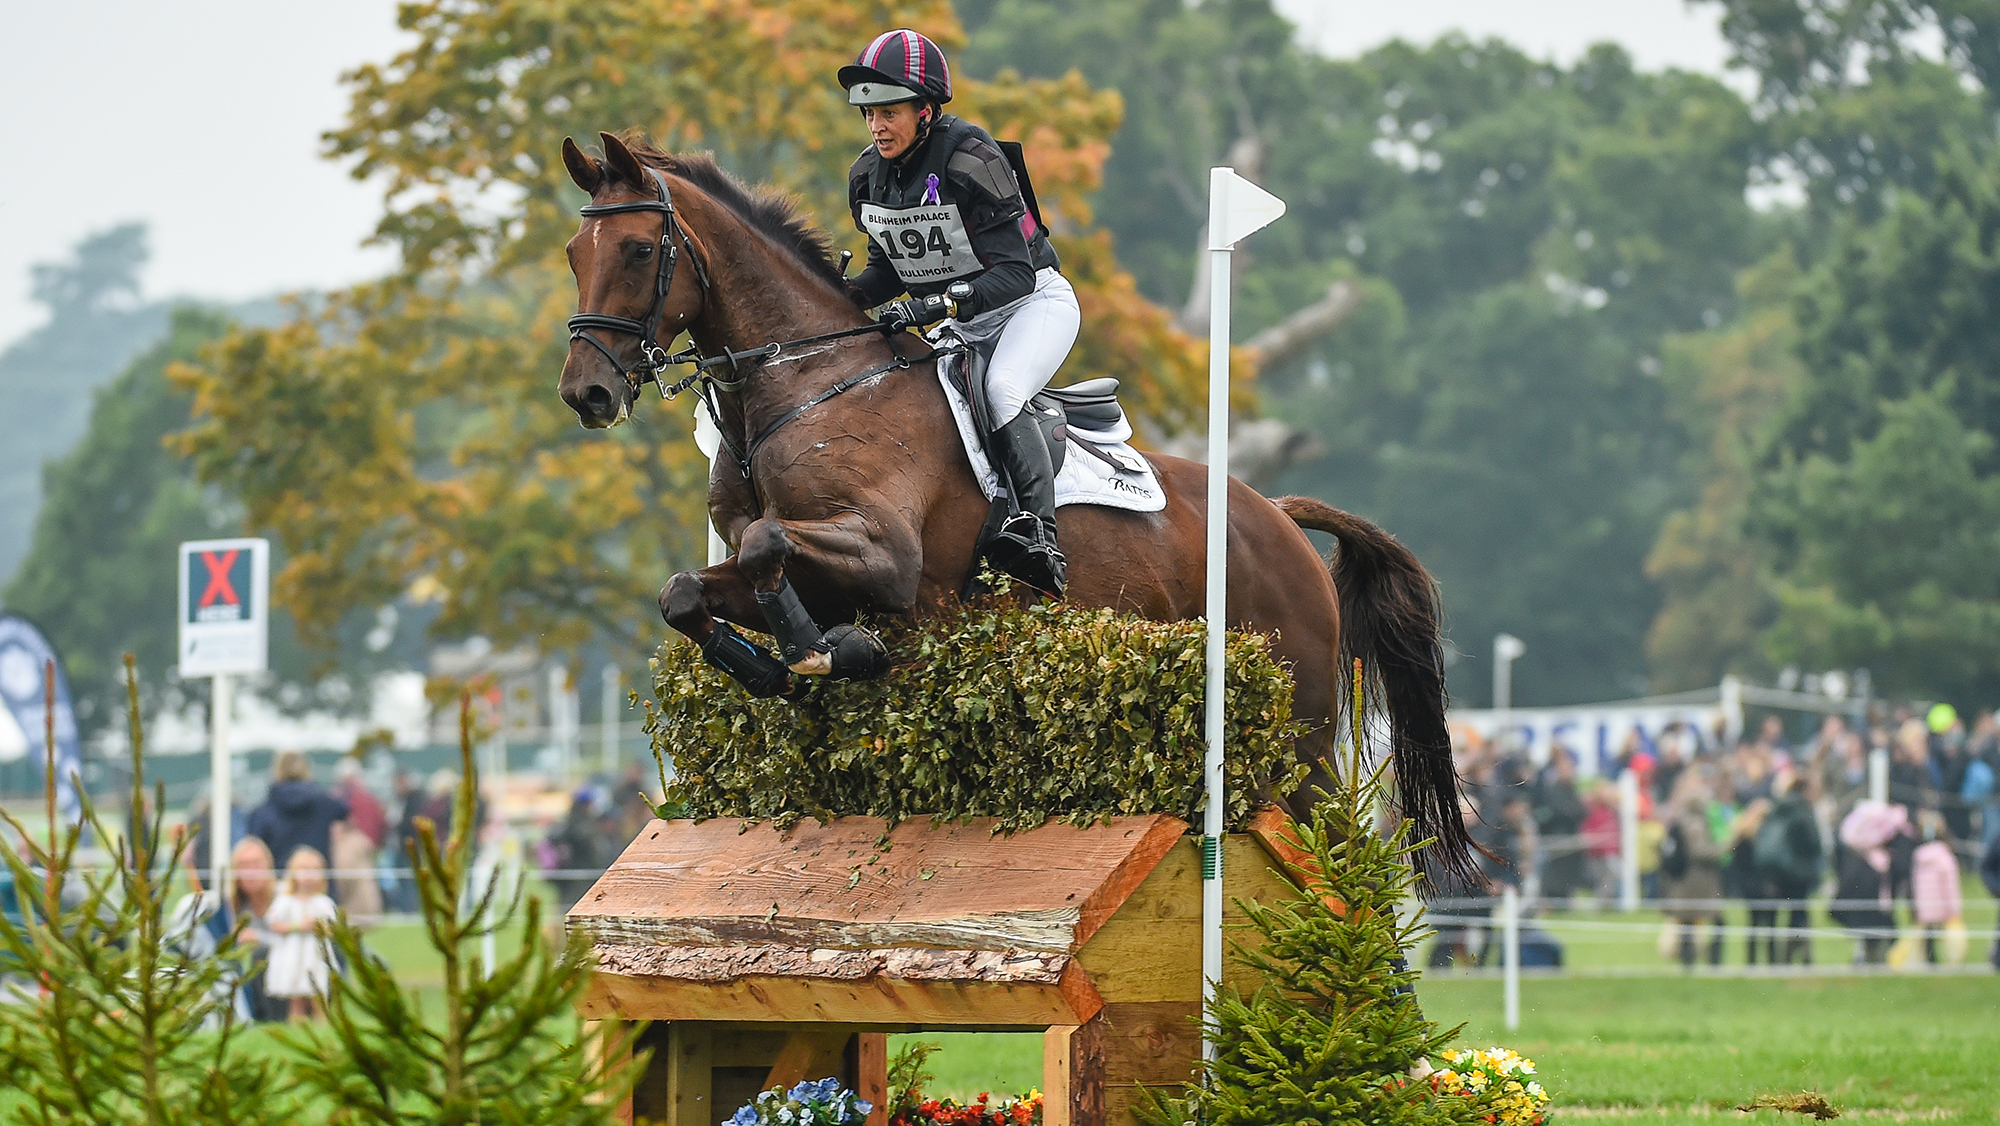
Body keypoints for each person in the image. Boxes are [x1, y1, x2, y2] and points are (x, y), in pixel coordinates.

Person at [838, 28, 1078, 595]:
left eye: (889, 111)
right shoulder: (866, 176)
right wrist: (834, 295)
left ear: (926, 110)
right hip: (963, 318)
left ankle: (1038, 536)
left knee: (1002, 391)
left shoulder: (972, 159)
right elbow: (887, 271)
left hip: (1031, 304)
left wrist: (934, 304)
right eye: (869, 113)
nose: (876, 127)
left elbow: (1015, 273)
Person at [245, 751, 351, 885]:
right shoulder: (324, 803)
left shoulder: (262, 812)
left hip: (278, 887)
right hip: (318, 885)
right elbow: (345, 810)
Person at [1660, 770, 1726, 968]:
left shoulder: (1682, 819)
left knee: (1687, 924)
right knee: (1712, 922)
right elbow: (1701, 851)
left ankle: (1689, 965)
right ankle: (1711, 964)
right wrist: (1725, 847)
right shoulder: (1695, 822)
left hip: (1684, 882)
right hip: (1696, 882)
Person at [264, 846, 339, 1022]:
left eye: (315, 870)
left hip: (315, 954)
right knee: (296, 999)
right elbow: (273, 923)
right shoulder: (285, 901)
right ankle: (297, 1026)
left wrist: (318, 927)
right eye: (304, 870)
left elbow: (333, 927)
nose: (309, 876)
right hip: (292, 954)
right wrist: (298, 926)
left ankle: (323, 1026)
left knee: (318, 997)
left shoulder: (324, 903)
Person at [227, 836, 286, 1022]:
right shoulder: (233, 907)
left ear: (269, 866)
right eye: (244, 865)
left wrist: (257, 938)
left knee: (260, 953)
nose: (250, 872)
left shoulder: (285, 898)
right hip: (247, 979)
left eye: (256, 864)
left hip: (291, 974)